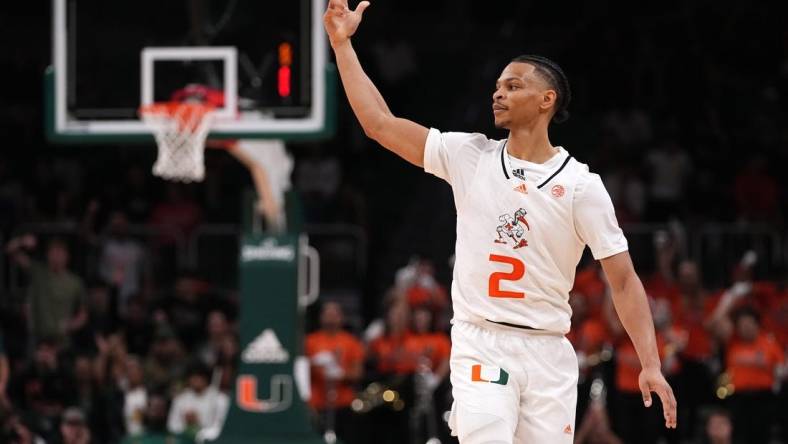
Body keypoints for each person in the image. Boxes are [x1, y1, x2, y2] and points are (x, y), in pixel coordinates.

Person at [323, 1, 677, 442]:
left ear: (547, 100)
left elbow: (623, 281)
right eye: (497, 86)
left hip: (549, 351)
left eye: (513, 86)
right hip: (482, 342)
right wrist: (342, 45)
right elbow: (380, 123)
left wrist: (650, 363)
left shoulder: (582, 187)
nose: (499, 93)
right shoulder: (470, 155)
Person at [305, 301, 364, 443]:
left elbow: (357, 374)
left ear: (342, 317)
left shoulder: (351, 342)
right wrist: (316, 366)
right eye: (327, 313)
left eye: (335, 314)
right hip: (317, 403)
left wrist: (339, 374)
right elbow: (302, 373)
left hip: (343, 404)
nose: (331, 317)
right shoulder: (309, 341)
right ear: (321, 317)